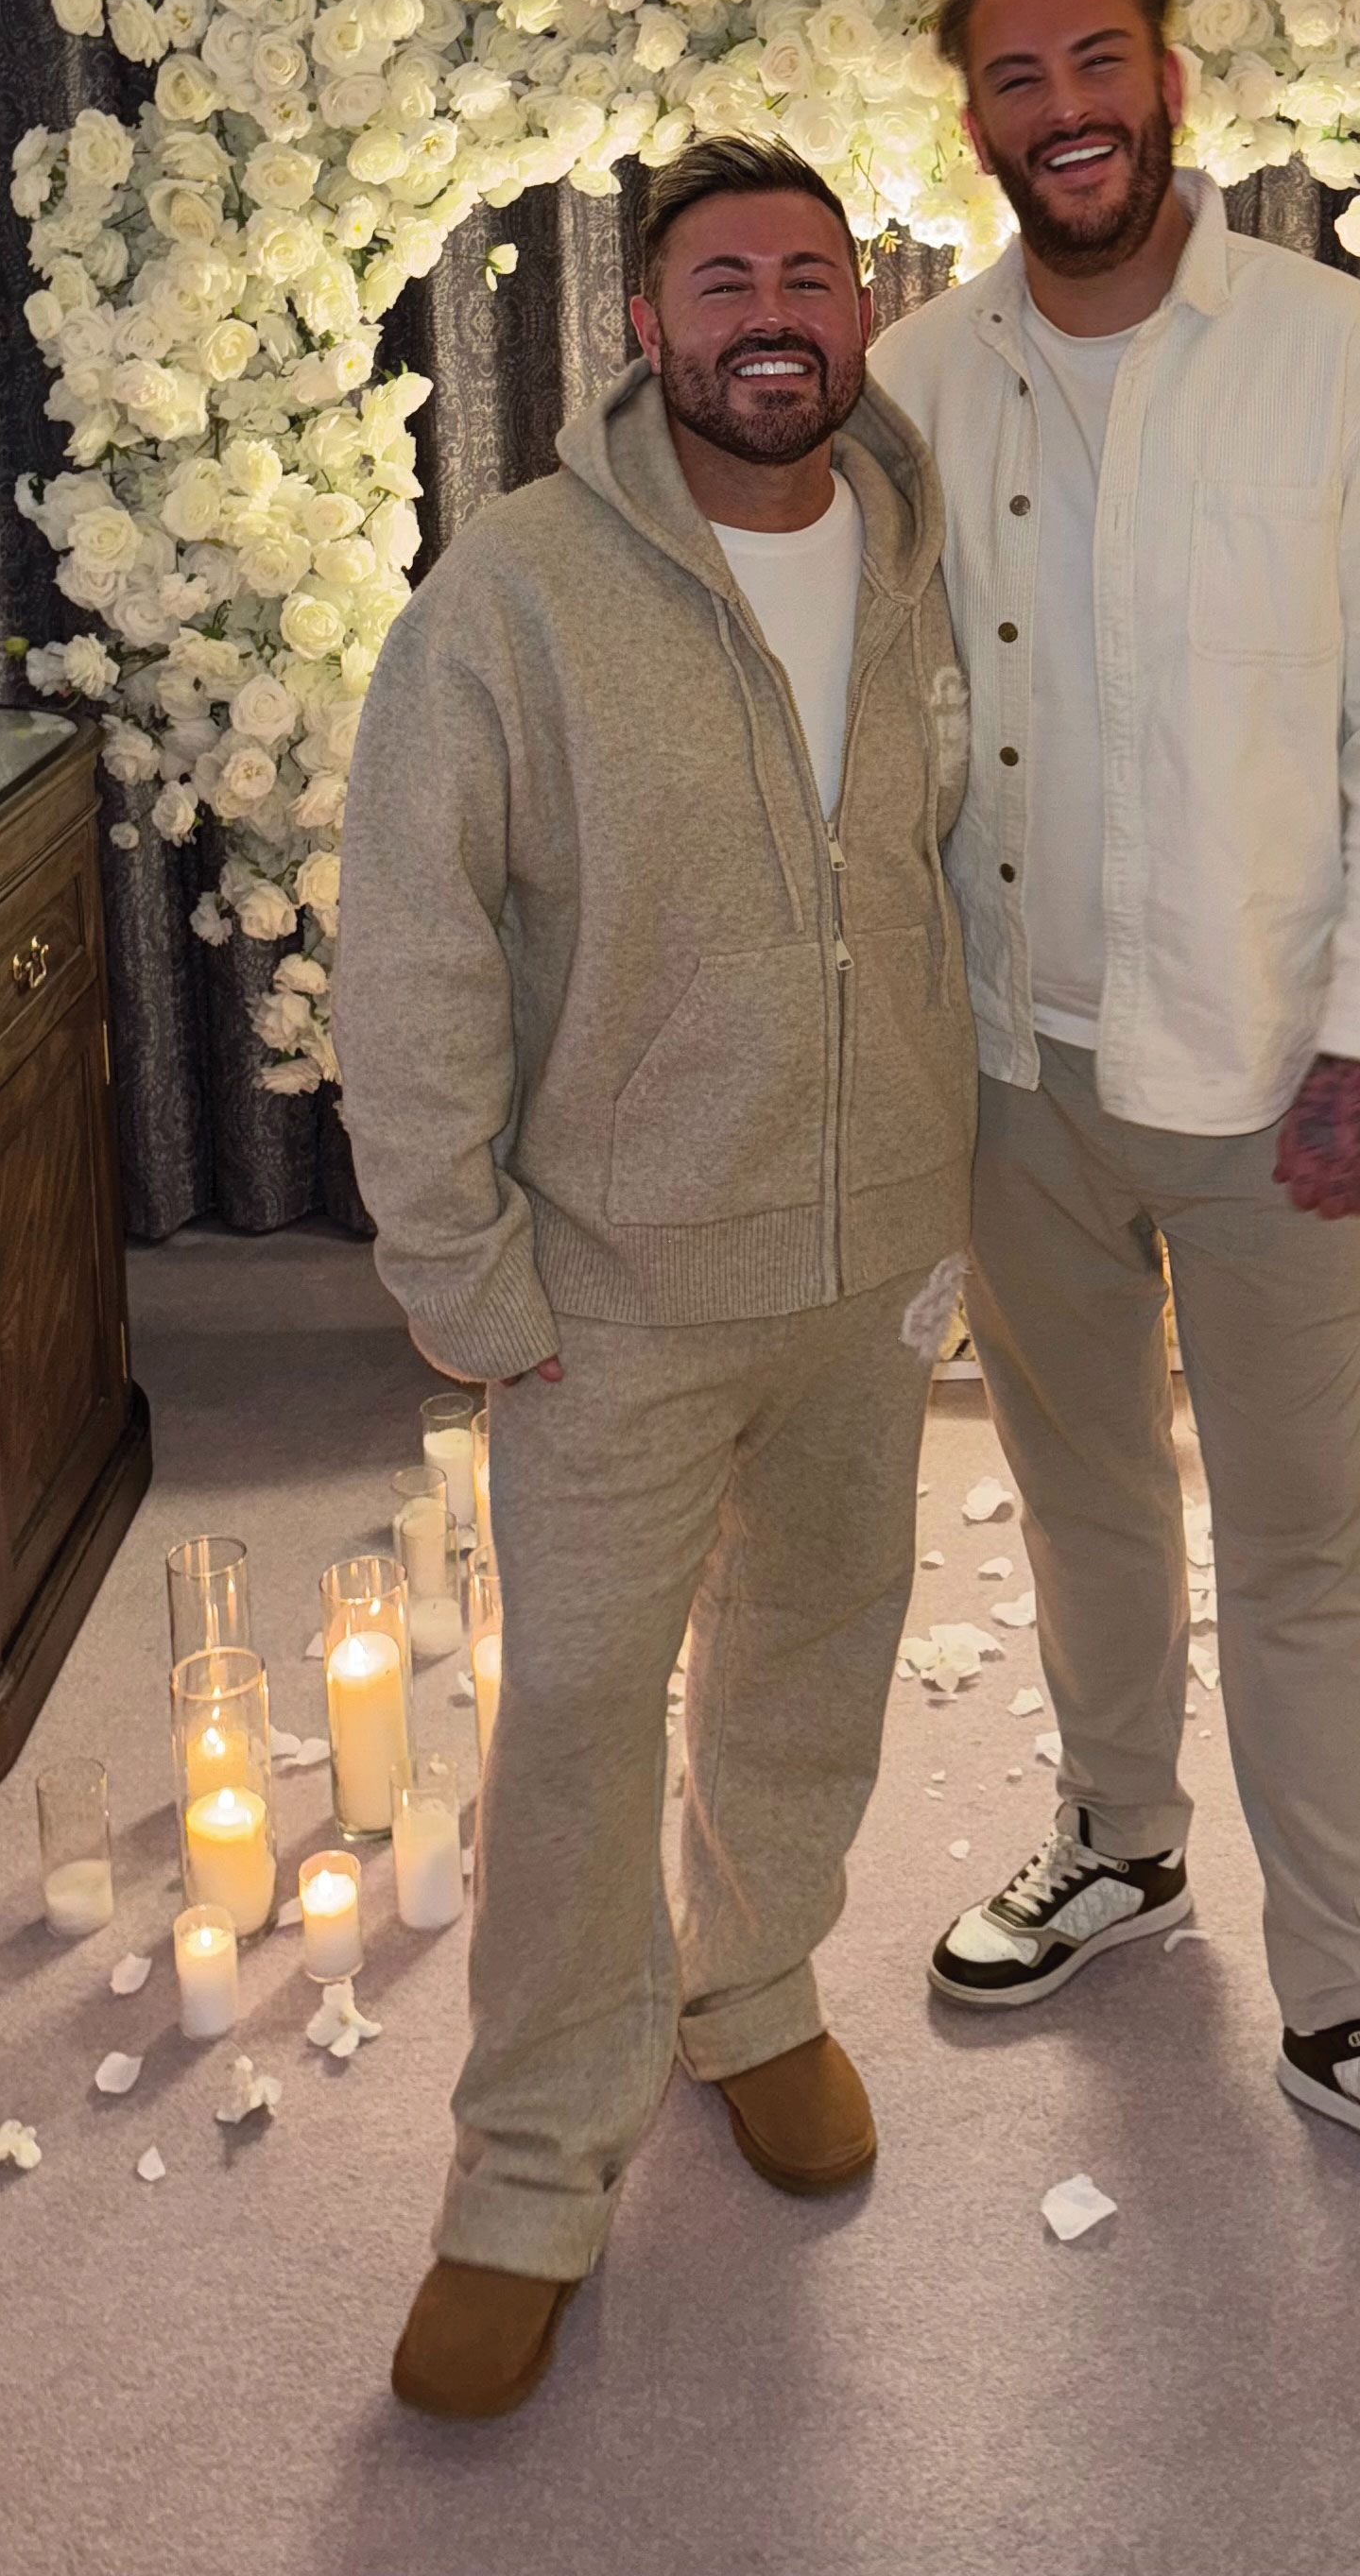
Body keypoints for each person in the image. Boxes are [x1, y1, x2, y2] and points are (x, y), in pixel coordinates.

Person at [869, 0, 1360, 2221]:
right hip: (1011, 1073)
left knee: (1296, 1547)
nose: (1062, 110)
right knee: (1075, 1498)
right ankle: (1121, 1839)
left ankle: (1350, 1995)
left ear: (1171, 79)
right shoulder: (919, 376)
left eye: (1098, 62)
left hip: (1275, 1073)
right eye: (1015, 78)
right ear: (974, 120)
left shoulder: (1334, 355)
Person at [335, 135, 978, 2419]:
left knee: (817, 1648)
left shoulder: (921, 557)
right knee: (584, 1722)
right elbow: (412, 942)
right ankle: (528, 2170)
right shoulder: (513, 595)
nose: (773, 315)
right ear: (643, 324)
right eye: (725, 282)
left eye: (811, 274)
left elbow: (942, 876)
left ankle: (756, 1988)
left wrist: (959, 1175)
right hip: (613, 1278)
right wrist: (459, 1263)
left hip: (872, 1251)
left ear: (861, 311)